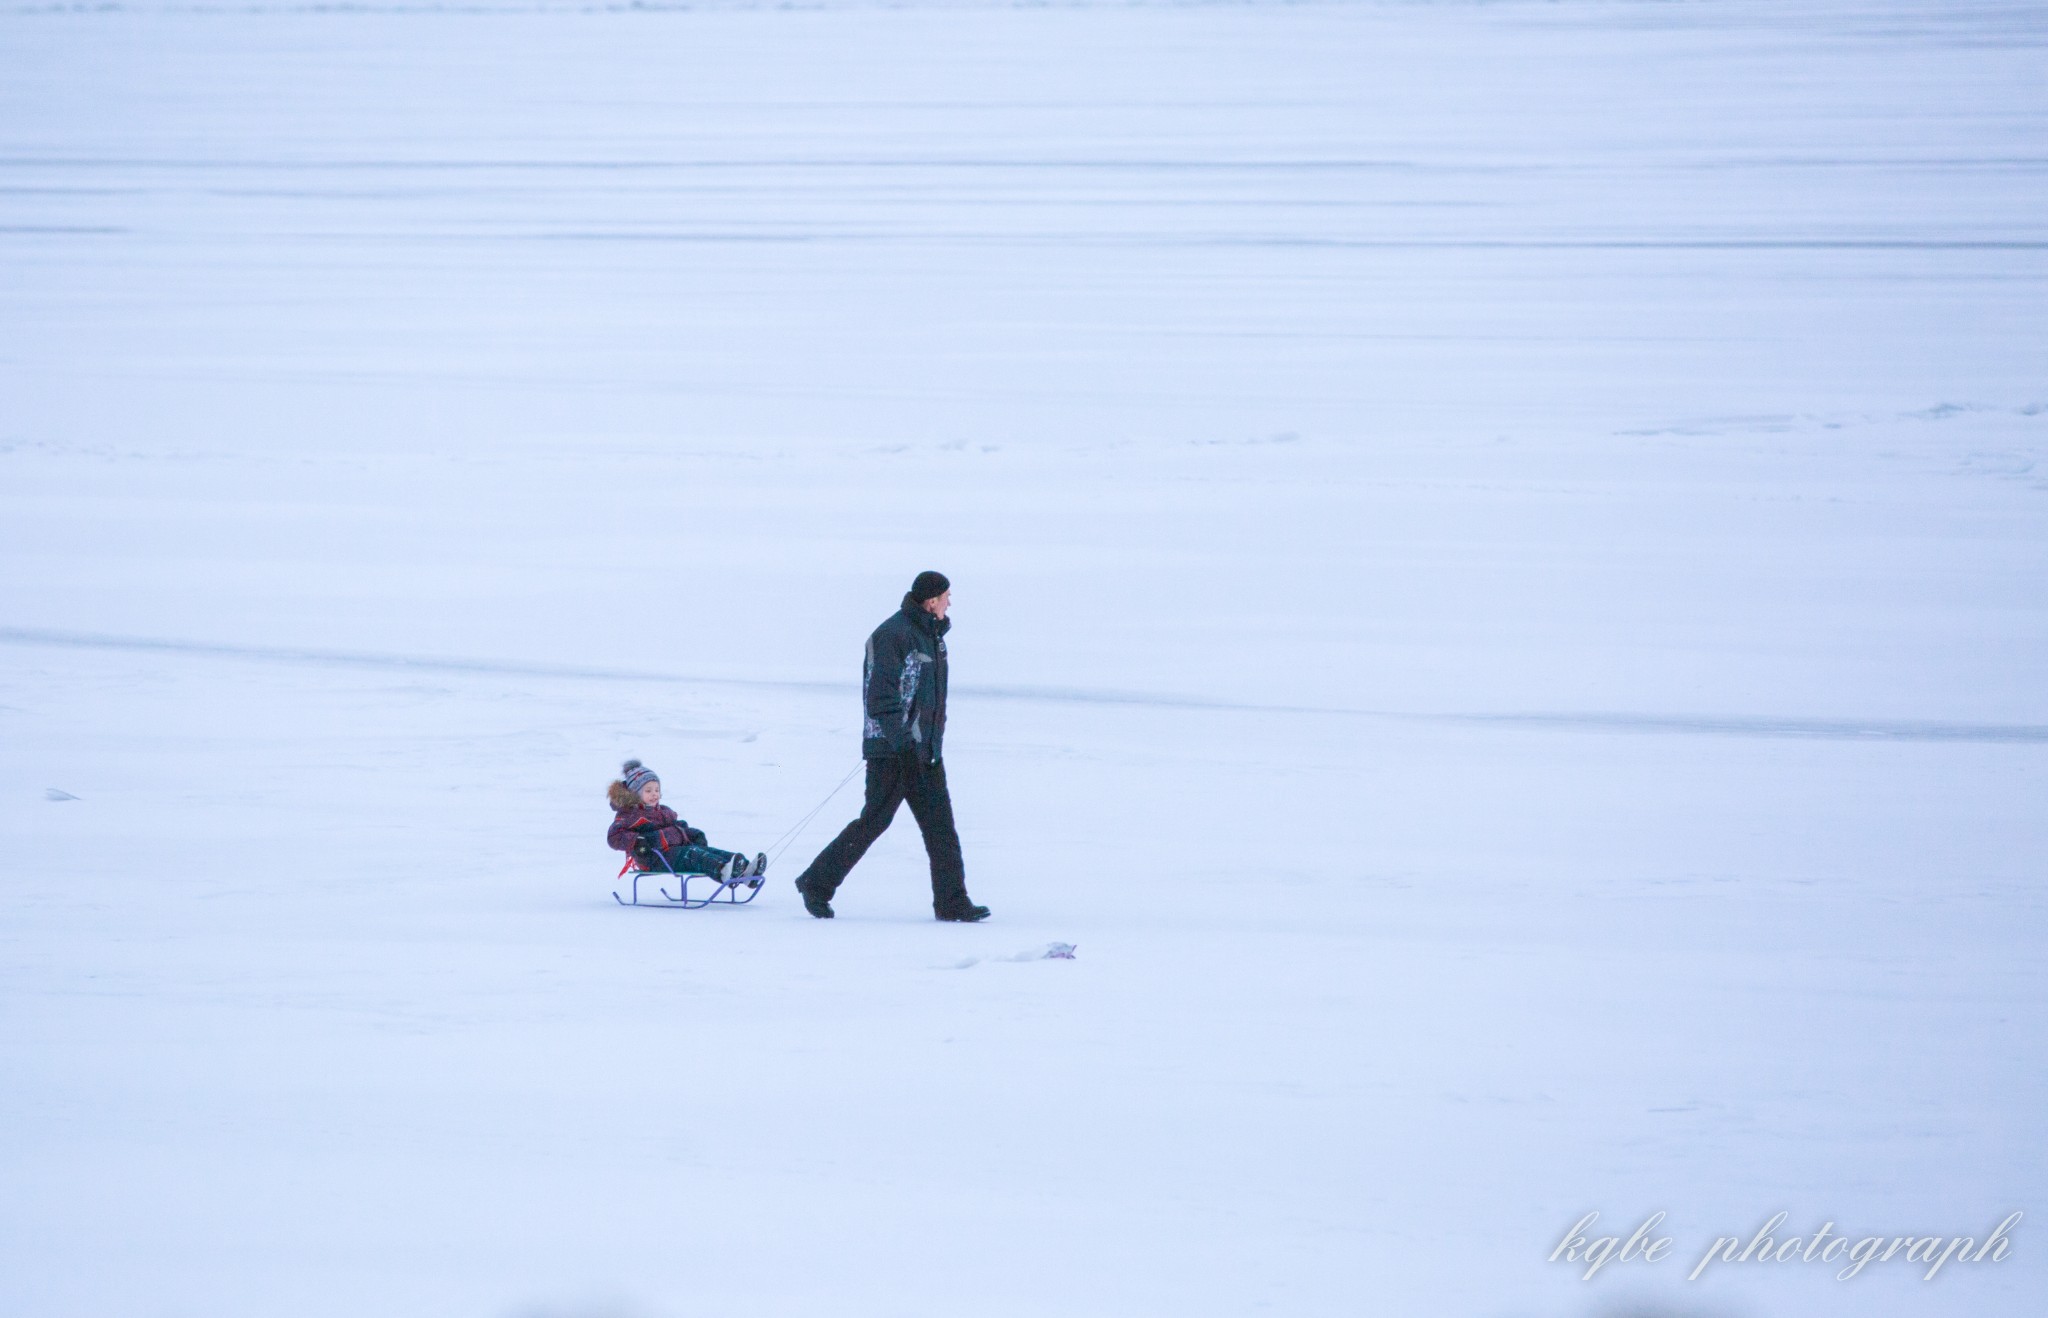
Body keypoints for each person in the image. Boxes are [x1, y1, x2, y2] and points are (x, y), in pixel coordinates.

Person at [793, 571, 990, 922]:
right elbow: (881, 699)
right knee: (873, 822)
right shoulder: (892, 635)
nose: (949, 602)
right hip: (893, 752)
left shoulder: (931, 636)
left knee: (941, 828)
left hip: (925, 751)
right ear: (931, 601)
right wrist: (902, 746)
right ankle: (816, 883)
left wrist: (926, 746)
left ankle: (952, 903)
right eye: (946, 596)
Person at [606, 759, 766, 886]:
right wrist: (636, 842)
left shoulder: (663, 811)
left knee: (710, 851)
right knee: (693, 855)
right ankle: (724, 871)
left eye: (656, 790)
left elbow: (677, 827)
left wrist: (693, 834)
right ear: (635, 794)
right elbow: (614, 836)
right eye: (648, 791)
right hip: (656, 859)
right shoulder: (630, 815)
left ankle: (746, 871)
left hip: (676, 852)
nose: (654, 794)